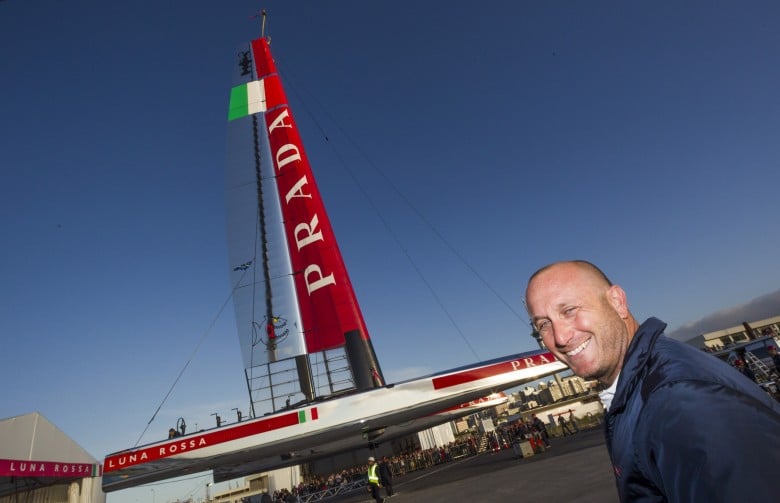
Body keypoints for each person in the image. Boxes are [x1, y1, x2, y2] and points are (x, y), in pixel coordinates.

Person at [525, 260, 780, 502]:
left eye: (569, 310)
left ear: (617, 302)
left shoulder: (682, 400)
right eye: (544, 325)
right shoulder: (639, 388)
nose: (559, 337)